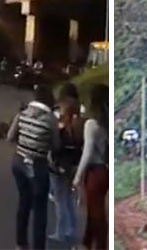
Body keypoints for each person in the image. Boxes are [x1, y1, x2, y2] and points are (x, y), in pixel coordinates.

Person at [6, 84, 60, 250]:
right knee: (40, 210)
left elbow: (9, 137)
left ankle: (20, 243)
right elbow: (56, 145)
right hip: (38, 166)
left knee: (24, 202)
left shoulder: (22, 114)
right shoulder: (51, 119)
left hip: (19, 162)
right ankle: (38, 246)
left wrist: (24, 142)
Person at [73, 84, 108, 249]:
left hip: (93, 172)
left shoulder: (91, 124)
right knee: (96, 211)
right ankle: (87, 243)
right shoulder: (105, 122)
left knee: (95, 214)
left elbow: (87, 152)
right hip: (104, 171)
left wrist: (77, 177)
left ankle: (98, 245)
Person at [49, 97, 82, 246]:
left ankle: (60, 233)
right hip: (72, 169)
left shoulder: (62, 130)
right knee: (69, 201)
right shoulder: (80, 128)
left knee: (60, 202)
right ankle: (72, 230)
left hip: (59, 169)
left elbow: (55, 148)